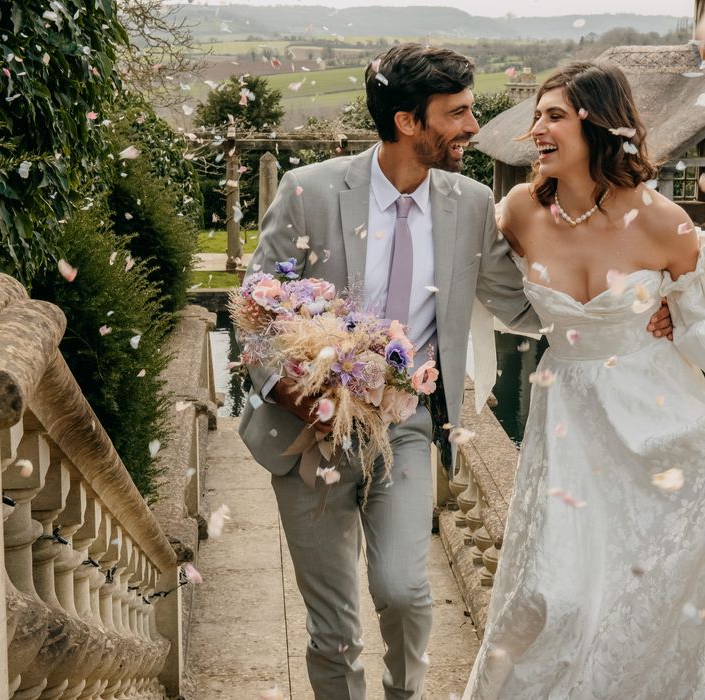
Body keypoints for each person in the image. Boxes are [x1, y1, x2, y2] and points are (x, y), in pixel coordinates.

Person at [238, 47, 670, 700]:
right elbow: (257, 303)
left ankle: (404, 694)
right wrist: (296, 392)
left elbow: (528, 301)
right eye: (459, 112)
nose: (475, 126)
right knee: (333, 629)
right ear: (409, 121)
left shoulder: (470, 206)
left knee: (405, 592)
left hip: (408, 428)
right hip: (305, 437)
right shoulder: (311, 191)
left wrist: (636, 303)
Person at [462, 62, 705, 700]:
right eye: (538, 115)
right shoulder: (518, 210)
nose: (535, 129)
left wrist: (670, 312)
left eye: (554, 116)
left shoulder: (665, 222)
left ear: (598, 124)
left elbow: (701, 326)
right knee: (555, 589)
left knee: (650, 595)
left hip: (662, 426)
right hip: (568, 416)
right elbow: (470, 280)